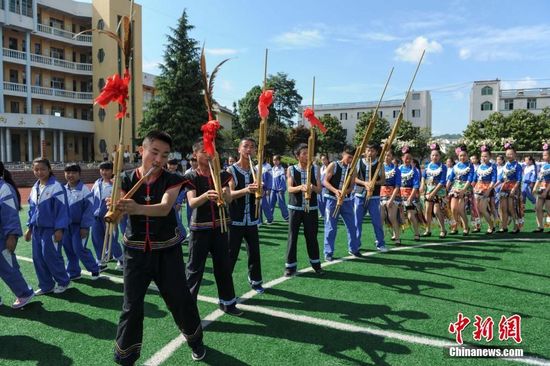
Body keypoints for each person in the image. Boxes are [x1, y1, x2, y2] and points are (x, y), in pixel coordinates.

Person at [113, 131, 205, 364]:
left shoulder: (173, 179)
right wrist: (115, 211)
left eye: (164, 155)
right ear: (141, 151)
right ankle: (126, 358)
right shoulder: (124, 178)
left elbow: (165, 208)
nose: (159, 159)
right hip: (134, 252)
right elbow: (117, 215)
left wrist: (134, 207)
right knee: (131, 307)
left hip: (167, 251)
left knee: (180, 301)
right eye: (154, 152)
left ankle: (196, 341)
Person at [184, 139, 242, 316]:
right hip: (199, 229)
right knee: (194, 270)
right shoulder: (191, 176)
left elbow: (229, 199)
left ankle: (228, 303)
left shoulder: (222, 174)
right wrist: (206, 195)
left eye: (210, 150)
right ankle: (187, 310)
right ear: (195, 155)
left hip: (221, 227)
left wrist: (226, 195)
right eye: (203, 151)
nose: (207, 154)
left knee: (223, 267)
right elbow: (192, 202)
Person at [25, 157, 71, 295]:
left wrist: (59, 229)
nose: (39, 172)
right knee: (37, 257)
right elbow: (32, 210)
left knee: (50, 256)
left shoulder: (56, 186)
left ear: (49, 169)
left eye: (43, 169)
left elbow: (62, 209)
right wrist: (29, 227)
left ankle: (63, 281)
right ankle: (46, 285)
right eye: (36, 169)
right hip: (37, 229)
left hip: (51, 229)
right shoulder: (35, 187)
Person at [227, 138, 264, 293]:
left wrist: (260, 191)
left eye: (252, 147)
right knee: (231, 254)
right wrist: (246, 190)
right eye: (246, 146)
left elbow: (260, 193)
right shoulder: (231, 170)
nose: (249, 149)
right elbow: (229, 195)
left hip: (252, 219)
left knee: (254, 252)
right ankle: (225, 284)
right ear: (239, 150)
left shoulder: (256, 170)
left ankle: (255, 280)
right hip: (236, 219)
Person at [285, 143, 324, 276]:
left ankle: (316, 265)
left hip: (311, 209)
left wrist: (312, 187)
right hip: (295, 208)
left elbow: (319, 190)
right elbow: (289, 188)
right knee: (292, 236)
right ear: (297, 156)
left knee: (312, 237)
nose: (307, 156)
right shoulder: (291, 169)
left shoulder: (316, 168)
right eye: (304, 153)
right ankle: (290, 267)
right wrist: (300, 187)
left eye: (309, 153)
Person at [0, 161, 35, 308]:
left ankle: (24, 293)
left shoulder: (4, 188)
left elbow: (10, 215)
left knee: (8, 268)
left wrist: (12, 236)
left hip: (2, 237)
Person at [62, 164, 101, 280]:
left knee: (79, 248)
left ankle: (94, 269)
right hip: (65, 226)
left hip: (79, 227)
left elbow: (89, 210)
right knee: (68, 249)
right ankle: (73, 272)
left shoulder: (84, 190)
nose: (70, 175)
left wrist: (84, 226)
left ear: (79, 174)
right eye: (68, 172)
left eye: (73, 172)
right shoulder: (63, 189)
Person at [323, 145, 361, 260]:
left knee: (352, 226)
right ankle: (328, 252)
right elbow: (325, 181)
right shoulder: (333, 165)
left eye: (352, 158)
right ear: (343, 154)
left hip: (347, 201)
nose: (350, 160)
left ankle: (353, 249)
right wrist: (336, 191)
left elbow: (352, 186)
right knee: (331, 227)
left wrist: (345, 192)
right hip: (332, 200)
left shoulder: (353, 168)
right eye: (349, 157)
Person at [91, 162, 124, 269]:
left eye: (107, 170)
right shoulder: (97, 183)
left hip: (109, 217)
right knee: (96, 239)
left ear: (112, 171)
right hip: (96, 217)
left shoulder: (116, 185)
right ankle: (101, 261)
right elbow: (91, 198)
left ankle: (121, 259)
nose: (104, 172)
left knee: (111, 239)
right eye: (102, 170)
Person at [354, 144, 386, 252]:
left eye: (372, 151)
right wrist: (365, 183)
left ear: (376, 152)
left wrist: (374, 183)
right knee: (357, 221)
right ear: (364, 152)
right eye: (368, 150)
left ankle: (380, 243)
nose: (370, 153)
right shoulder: (359, 162)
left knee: (376, 221)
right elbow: (354, 178)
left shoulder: (379, 164)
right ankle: (356, 243)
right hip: (359, 195)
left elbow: (383, 180)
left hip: (374, 196)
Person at [420, 144, 448, 238]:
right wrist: (422, 185)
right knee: (427, 210)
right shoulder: (428, 166)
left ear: (439, 156)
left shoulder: (443, 167)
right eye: (432, 155)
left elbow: (442, 181)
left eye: (436, 155)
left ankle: (443, 229)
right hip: (428, 190)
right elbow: (423, 177)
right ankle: (428, 230)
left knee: (436, 211)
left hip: (438, 191)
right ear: (430, 156)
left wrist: (433, 193)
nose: (434, 157)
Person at [446, 145, 474, 235]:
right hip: (455, 187)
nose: (462, 157)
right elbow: (451, 177)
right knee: (453, 209)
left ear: (467, 155)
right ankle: (455, 226)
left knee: (461, 210)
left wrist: (463, 190)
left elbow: (470, 179)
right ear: (458, 156)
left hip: (465, 188)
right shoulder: (456, 166)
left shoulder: (470, 166)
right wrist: (447, 186)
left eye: (464, 155)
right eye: (460, 156)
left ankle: (466, 227)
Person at [498, 143, 523, 233]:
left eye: (511, 154)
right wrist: (494, 185)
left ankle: (516, 226)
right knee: (503, 208)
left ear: (515, 154)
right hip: (504, 187)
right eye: (507, 154)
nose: (509, 156)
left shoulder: (518, 166)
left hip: (513, 187)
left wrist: (514, 189)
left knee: (512, 208)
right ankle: (504, 226)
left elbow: (519, 179)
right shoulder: (505, 165)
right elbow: (501, 178)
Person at [399, 146, 422, 241]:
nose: (407, 160)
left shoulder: (414, 170)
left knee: (410, 215)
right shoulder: (398, 169)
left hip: (411, 195)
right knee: (398, 215)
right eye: (405, 158)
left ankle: (417, 232)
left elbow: (416, 185)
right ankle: (396, 233)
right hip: (399, 195)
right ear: (402, 158)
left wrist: (410, 198)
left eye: (409, 158)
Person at [473, 145, 497, 234]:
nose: (484, 158)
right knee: (476, 209)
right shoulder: (479, 167)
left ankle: (491, 226)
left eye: (486, 156)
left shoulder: (492, 166)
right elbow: (474, 179)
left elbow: (494, 180)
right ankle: (477, 226)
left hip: (487, 189)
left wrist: (488, 190)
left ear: (490, 157)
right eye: (482, 156)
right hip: (477, 189)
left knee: (483, 209)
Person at [379, 149, 402, 245]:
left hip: (393, 196)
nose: (386, 157)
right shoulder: (379, 168)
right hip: (381, 195)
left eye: (388, 155)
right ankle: (380, 238)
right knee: (380, 217)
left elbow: (397, 186)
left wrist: (391, 199)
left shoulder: (396, 170)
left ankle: (397, 237)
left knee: (392, 217)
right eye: (384, 155)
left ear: (392, 157)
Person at [167, 158, 187, 241]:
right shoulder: (164, 175)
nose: (171, 166)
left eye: (173, 164)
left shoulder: (179, 176)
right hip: (165, 202)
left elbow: (183, 191)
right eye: (170, 164)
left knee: (176, 220)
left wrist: (179, 203)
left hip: (175, 203)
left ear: (176, 166)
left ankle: (182, 235)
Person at [533, 143, 550, 232]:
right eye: (543, 155)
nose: (543, 156)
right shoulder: (543, 166)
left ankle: (548, 226)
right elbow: (539, 178)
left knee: (548, 209)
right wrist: (535, 188)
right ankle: (540, 226)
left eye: (545, 155)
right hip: (542, 187)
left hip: (548, 189)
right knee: (538, 208)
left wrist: (546, 192)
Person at [269, 155, 289, 221]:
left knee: (281, 203)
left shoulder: (281, 169)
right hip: (273, 189)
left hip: (279, 190)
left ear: (279, 161)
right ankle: (270, 217)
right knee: (271, 203)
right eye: (274, 160)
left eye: (276, 160)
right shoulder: (272, 169)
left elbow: (283, 180)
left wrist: (281, 189)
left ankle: (286, 216)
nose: (275, 161)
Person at [318, 154, 330, 219]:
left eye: (325, 159)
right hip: (320, 187)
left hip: (326, 188)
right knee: (320, 201)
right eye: (322, 160)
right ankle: (322, 213)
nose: (323, 161)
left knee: (326, 201)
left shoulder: (330, 167)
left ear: (328, 160)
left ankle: (327, 213)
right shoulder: (321, 168)